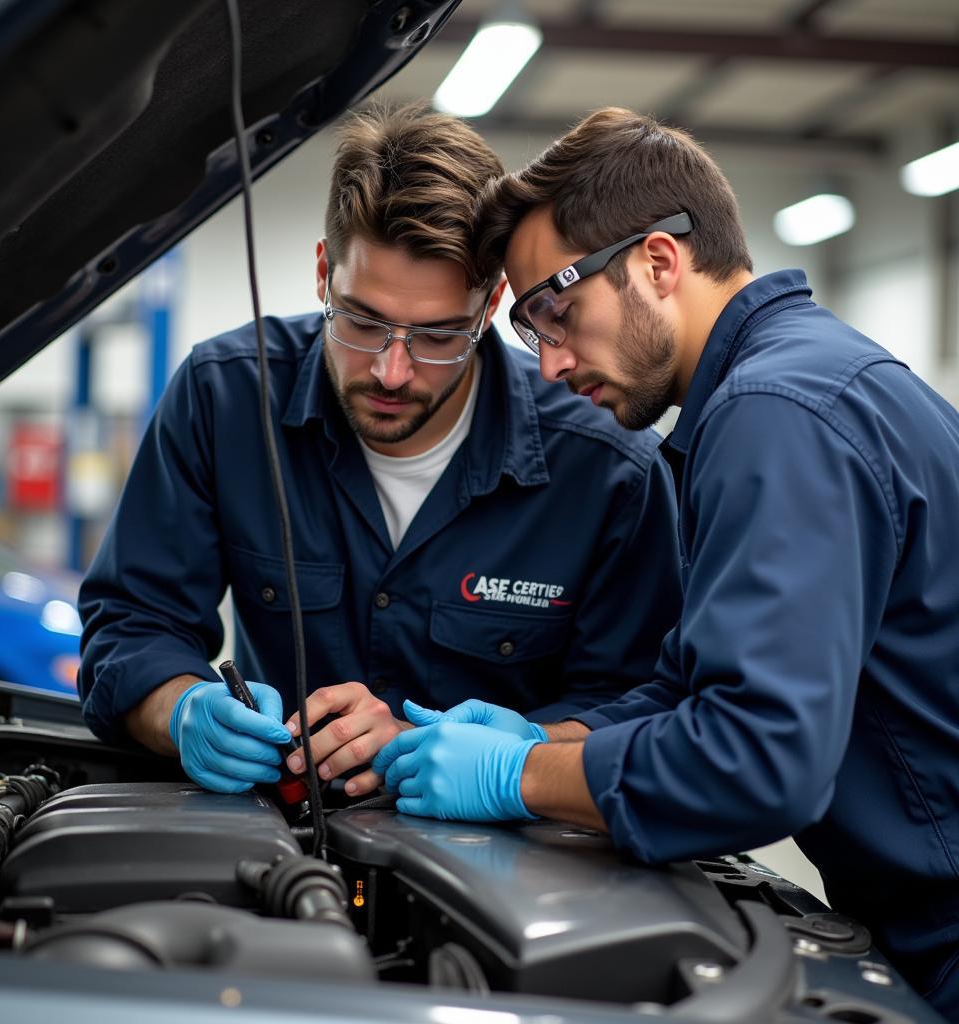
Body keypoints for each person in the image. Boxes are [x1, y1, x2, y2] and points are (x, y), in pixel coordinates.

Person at [372, 107, 959, 1016]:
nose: (553, 364)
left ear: (656, 261)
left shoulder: (778, 416)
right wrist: (545, 739)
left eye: (557, 314)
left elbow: (756, 762)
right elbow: (698, 687)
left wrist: (517, 780)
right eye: (531, 334)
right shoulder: (794, 385)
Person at [77, 103, 681, 800]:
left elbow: (636, 711)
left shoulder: (604, 467)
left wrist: (501, 760)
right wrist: (182, 710)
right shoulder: (225, 400)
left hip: (511, 877)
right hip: (274, 845)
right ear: (322, 273)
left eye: (438, 335)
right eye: (363, 320)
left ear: (489, 309)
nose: (393, 371)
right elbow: (130, 629)